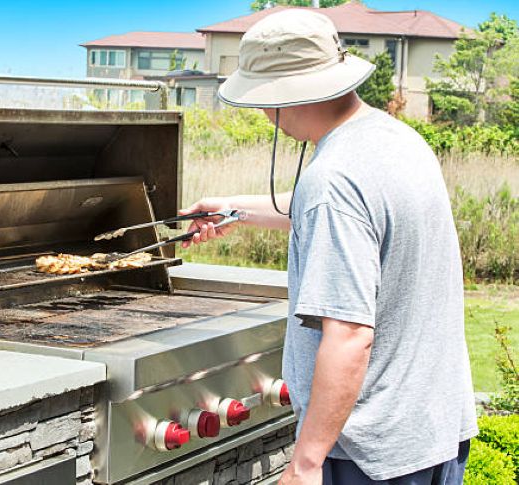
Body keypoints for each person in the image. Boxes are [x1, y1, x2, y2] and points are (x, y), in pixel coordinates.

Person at [180, 9, 477, 485]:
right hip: (431, 430)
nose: (260, 113)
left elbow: (349, 336)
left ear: (285, 93)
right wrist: (233, 209)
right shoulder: (394, 139)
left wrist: (306, 461)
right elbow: (356, 216)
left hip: (371, 454)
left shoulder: (332, 181)